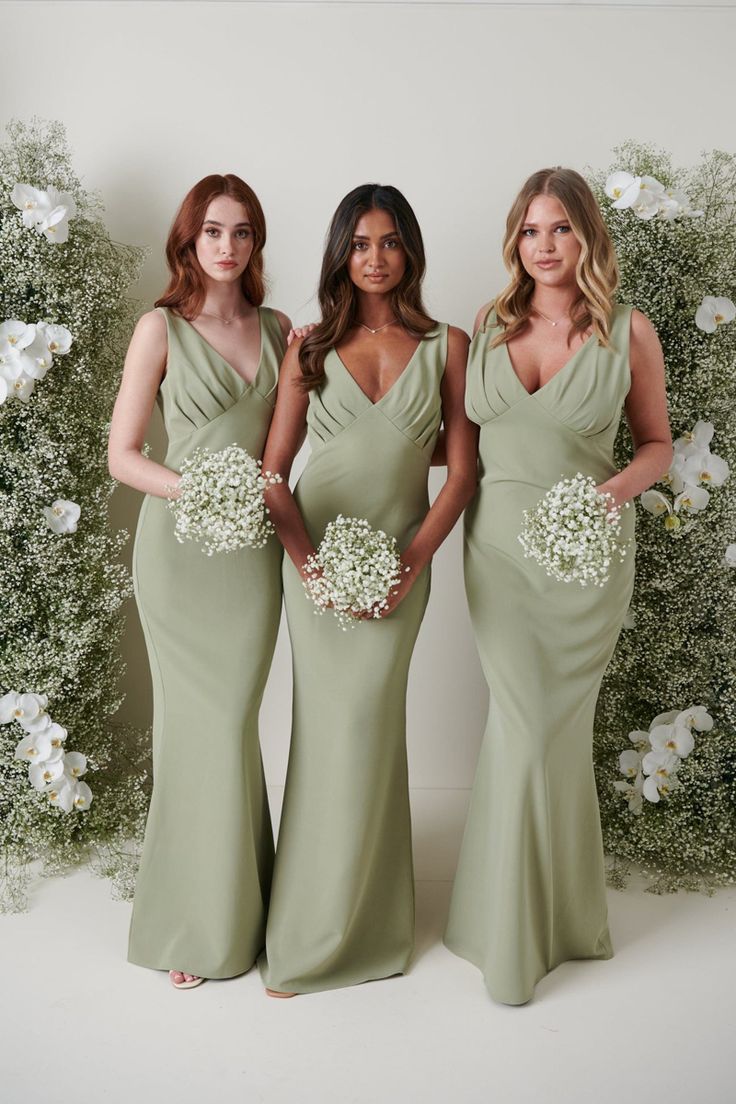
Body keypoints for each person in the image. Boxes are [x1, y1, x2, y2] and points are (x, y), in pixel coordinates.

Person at [445, 167, 672, 1005]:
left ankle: (550, 919)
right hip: (498, 554)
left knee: (549, 734)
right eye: (532, 231)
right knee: (522, 723)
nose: (545, 247)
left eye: (562, 230)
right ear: (516, 242)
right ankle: (506, 925)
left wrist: (607, 496)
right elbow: (461, 446)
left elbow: (655, 445)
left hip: (586, 559)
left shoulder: (628, 332)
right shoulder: (488, 323)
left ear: (587, 239)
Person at [258, 183, 478, 996]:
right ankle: (309, 927)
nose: (375, 258)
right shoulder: (309, 347)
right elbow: (275, 477)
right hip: (314, 558)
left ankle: (372, 924)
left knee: (372, 731)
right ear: (340, 253)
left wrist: (410, 564)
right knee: (325, 733)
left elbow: (461, 474)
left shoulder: (449, 344)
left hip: (401, 565)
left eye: (389, 242)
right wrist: (308, 564)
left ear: (410, 250)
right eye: (359, 243)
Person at [108, 174, 291, 990]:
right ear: (189, 241)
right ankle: (190, 921)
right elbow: (124, 456)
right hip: (179, 553)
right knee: (195, 728)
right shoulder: (160, 328)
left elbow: (302, 439)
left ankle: (243, 909)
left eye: (242, 232)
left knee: (232, 723)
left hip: (250, 559)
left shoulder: (281, 329)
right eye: (213, 231)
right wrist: (199, 489)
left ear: (255, 243)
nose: (227, 245)